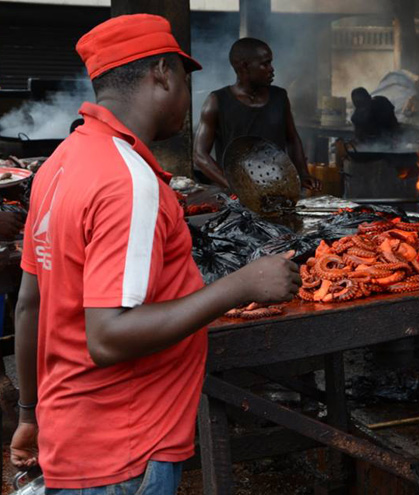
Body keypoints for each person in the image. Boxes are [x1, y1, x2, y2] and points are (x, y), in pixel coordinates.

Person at [9, 14, 301, 494]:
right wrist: (242, 285)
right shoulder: (129, 180)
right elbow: (108, 337)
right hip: (126, 447)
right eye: (186, 81)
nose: (187, 97)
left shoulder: (60, 164)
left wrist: (29, 412)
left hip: (70, 433)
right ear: (162, 73)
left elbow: (29, 304)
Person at [194, 38, 320, 191]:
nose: (271, 69)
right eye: (265, 64)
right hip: (236, 197)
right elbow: (199, 154)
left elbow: (292, 139)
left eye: (270, 63)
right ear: (245, 66)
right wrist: (233, 185)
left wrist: (303, 173)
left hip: (278, 187)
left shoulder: (279, 97)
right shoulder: (217, 101)